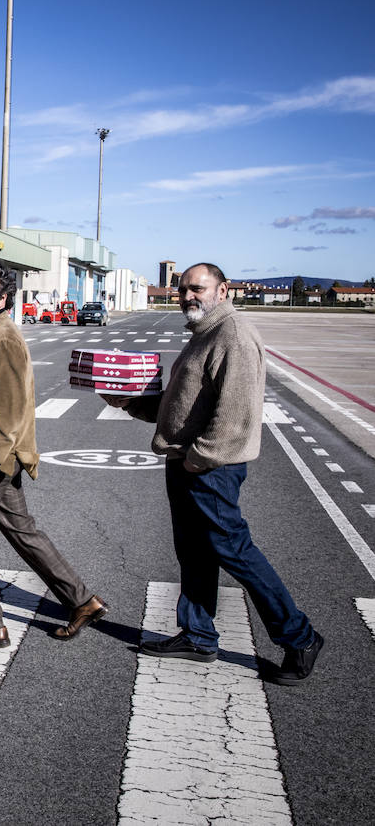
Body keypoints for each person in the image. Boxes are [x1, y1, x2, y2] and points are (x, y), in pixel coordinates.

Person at [104, 262, 322, 684]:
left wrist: (196, 460)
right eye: (183, 289)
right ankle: (199, 635)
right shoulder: (203, 335)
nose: (187, 296)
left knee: (234, 551)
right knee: (195, 552)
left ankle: (300, 637)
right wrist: (129, 403)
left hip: (209, 469)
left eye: (197, 288)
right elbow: (179, 406)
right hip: (188, 464)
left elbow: (236, 417)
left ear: (222, 291)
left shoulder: (233, 336)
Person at [0, 260, 106, 647]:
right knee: (24, 532)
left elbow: (8, 415)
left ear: (3, 297)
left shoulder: (4, 338)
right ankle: (82, 600)